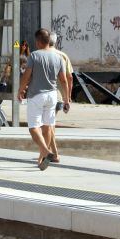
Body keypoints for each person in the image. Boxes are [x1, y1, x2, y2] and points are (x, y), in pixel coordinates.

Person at [18, 29, 70, 171]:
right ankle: (42, 158)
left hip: (36, 95)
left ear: (39, 41)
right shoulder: (59, 58)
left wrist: (20, 90)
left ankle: (46, 152)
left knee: (34, 128)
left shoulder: (34, 56)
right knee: (47, 127)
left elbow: (26, 76)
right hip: (52, 95)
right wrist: (66, 99)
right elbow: (64, 81)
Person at [48, 33, 73, 163]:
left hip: (48, 95)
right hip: (58, 96)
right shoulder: (63, 56)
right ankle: (47, 150)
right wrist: (67, 98)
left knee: (48, 125)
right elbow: (69, 78)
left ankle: (53, 153)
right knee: (49, 124)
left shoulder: (40, 54)